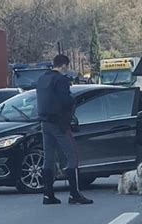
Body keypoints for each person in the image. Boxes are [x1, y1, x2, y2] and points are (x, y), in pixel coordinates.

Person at [37, 54, 93, 205]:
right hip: (59, 124)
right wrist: (73, 102)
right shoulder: (61, 79)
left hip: (44, 123)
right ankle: (74, 194)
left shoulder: (42, 79)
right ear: (63, 66)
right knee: (72, 155)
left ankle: (48, 194)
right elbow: (65, 100)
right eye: (66, 67)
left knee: (48, 158)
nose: (66, 70)